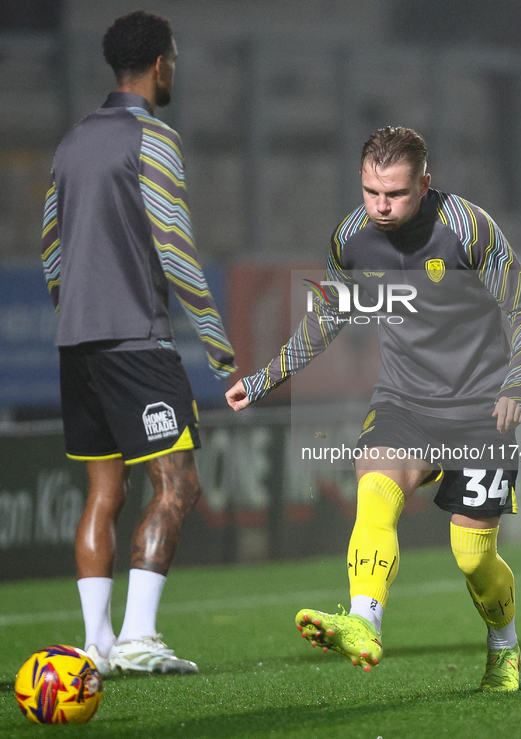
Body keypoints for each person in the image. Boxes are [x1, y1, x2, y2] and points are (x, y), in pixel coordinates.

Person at [225, 127, 521, 691]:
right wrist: (265, 378)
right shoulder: (352, 238)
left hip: (479, 409)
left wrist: (516, 386)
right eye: (371, 191)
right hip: (403, 400)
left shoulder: (467, 229)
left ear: (425, 182)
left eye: (394, 193)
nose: (381, 206)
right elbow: (327, 316)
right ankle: (364, 622)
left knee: (472, 557)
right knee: (375, 489)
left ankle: (504, 647)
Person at [41, 10, 235, 677]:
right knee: (177, 484)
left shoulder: (70, 145)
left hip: (78, 344)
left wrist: (74, 314)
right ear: (160, 64)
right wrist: (217, 343)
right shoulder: (152, 139)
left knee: (104, 491)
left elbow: (49, 248)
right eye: (174, 60)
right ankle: (137, 637)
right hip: (135, 341)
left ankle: (92, 645)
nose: (174, 69)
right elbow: (175, 249)